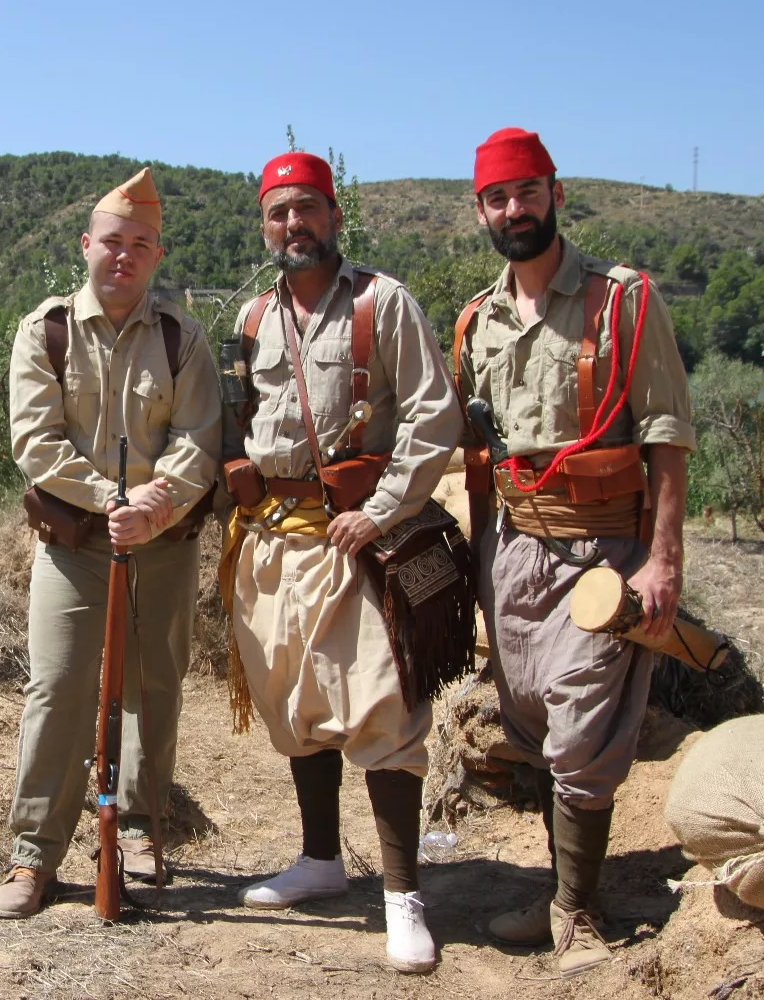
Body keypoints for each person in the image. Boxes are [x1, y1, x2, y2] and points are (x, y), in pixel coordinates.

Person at [454, 128, 695, 975]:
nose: (513, 209)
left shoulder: (623, 301)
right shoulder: (476, 322)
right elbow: (476, 455)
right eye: (497, 198)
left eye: (526, 192)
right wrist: (476, 568)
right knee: (531, 720)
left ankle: (579, 914)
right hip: (515, 551)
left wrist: (663, 561)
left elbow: (667, 434)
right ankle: (559, 889)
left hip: (604, 554)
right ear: (481, 212)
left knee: (584, 735)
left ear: (555, 194)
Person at [219, 152, 462, 973]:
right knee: (296, 704)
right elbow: (240, 419)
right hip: (271, 542)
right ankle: (321, 861)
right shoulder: (253, 316)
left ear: (335, 217)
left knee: (382, 708)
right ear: (264, 225)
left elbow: (434, 416)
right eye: (279, 212)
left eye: (308, 209)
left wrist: (382, 509)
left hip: (353, 540)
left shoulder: (381, 303)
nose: (294, 224)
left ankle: (402, 896)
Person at [0, 167, 220, 918]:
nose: (125, 255)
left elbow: (199, 438)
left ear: (158, 255)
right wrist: (111, 498)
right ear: (86, 244)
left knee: (152, 691)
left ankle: (138, 832)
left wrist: (157, 503)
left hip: (163, 546)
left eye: (141, 244)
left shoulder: (182, 339)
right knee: (57, 689)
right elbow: (35, 441)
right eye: (113, 241)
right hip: (75, 546)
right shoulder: (46, 332)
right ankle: (34, 854)